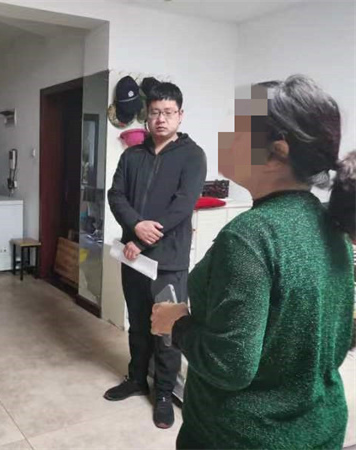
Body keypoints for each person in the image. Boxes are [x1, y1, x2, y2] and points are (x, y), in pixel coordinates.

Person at [151, 75, 355, 449]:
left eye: (236, 130)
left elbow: (229, 366)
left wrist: (176, 324)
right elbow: (338, 341)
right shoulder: (333, 226)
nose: (224, 137)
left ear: (276, 152)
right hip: (320, 428)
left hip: (240, 437)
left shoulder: (250, 236)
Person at [105, 81, 207, 429]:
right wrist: (136, 227)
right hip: (133, 258)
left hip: (169, 263)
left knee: (166, 330)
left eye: (168, 112)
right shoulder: (132, 155)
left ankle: (163, 393)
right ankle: (137, 378)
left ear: (180, 115)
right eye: (154, 113)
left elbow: (183, 205)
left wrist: (143, 239)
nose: (161, 119)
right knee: (137, 323)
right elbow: (116, 195)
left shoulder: (192, 156)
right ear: (146, 117)